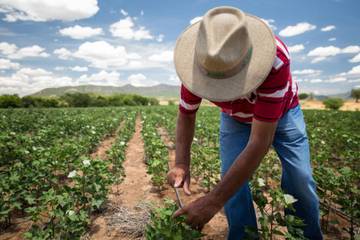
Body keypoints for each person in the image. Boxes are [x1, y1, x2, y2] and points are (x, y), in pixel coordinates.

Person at [167, 6, 323, 240]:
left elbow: (260, 140)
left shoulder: (276, 61)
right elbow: (187, 114)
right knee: (232, 178)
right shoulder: (196, 64)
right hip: (234, 120)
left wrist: (212, 202)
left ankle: (307, 236)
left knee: (300, 179)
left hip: (284, 114)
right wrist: (181, 163)